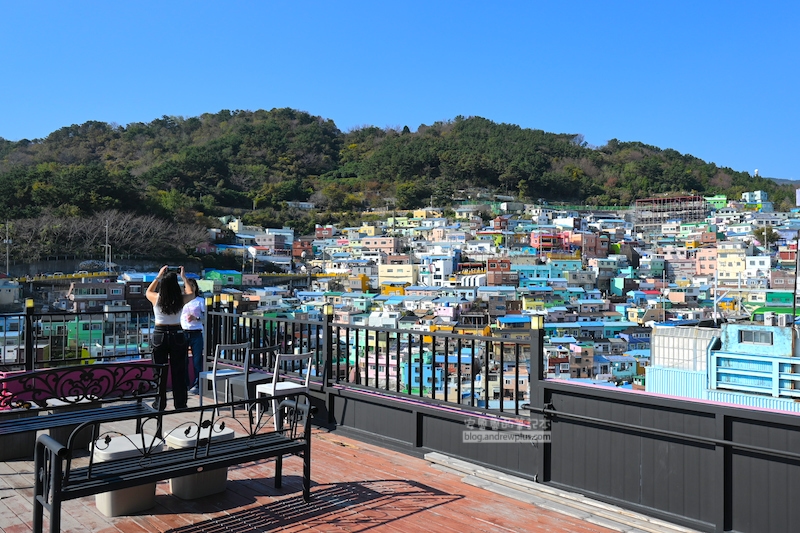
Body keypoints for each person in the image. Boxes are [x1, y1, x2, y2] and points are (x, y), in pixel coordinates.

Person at [146, 265, 194, 410]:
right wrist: (184, 277)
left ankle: (159, 403)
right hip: (177, 334)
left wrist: (158, 276)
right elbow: (192, 293)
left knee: (158, 370)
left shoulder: (156, 298)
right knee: (179, 370)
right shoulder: (181, 299)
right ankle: (180, 404)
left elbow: (148, 291)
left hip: (159, 333)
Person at [181, 278, 206, 394]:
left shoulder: (200, 301)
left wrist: (196, 318)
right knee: (183, 360)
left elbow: (207, 318)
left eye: (192, 286)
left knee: (197, 360)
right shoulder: (182, 300)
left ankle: (197, 384)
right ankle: (184, 384)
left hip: (196, 333)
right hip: (183, 332)